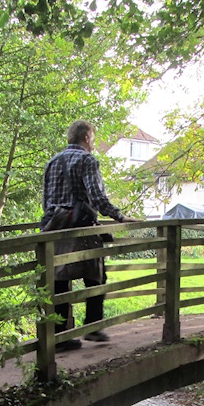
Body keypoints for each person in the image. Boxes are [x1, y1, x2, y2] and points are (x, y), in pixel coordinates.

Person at [41, 120, 129, 351]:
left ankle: (60, 336)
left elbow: (46, 201)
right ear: (87, 137)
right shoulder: (88, 160)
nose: (93, 143)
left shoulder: (52, 162)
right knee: (95, 276)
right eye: (93, 138)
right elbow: (97, 198)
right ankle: (92, 326)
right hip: (82, 228)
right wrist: (119, 216)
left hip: (55, 227)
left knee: (59, 279)